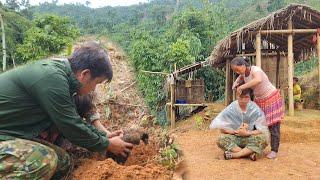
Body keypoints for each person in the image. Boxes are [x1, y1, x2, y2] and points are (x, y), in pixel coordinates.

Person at [0, 42, 133, 179]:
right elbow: (70, 125)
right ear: (85, 74)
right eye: (97, 83)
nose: (94, 89)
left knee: (63, 162)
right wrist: (107, 144)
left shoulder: (63, 78)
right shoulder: (52, 78)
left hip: (9, 134)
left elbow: (73, 119)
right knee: (44, 161)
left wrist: (103, 136)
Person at [231, 57, 284, 159]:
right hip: (259, 100)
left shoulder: (255, 70)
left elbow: (258, 80)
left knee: (273, 125)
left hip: (271, 98)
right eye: (234, 71)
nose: (237, 72)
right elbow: (240, 78)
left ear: (243, 65)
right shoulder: (243, 74)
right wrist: (235, 83)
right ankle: (253, 147)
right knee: (256, 124)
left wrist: (242, 87)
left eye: (237, 69)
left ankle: (274, 150)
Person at [210, 89, 269, 161]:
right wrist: (235, 132)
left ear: (249, 97)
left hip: (250, 138)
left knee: (264, 139)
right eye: (241, 97)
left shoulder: (254, 108)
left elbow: (262, 129)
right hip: (235, 138)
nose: (243, 100)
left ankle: (235, 155)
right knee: (220, 139)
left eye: (246, 97)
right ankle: (249, 153)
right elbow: (222, 128)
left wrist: (247, 133)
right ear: (237, 96)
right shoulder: (231, 108)